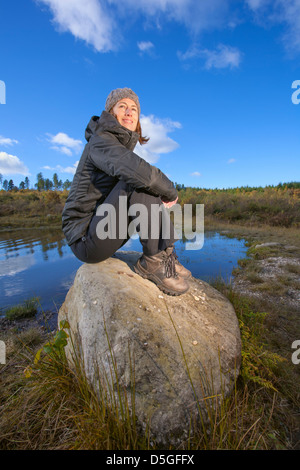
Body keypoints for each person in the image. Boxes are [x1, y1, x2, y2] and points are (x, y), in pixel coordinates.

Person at [62, 87, 191, 295]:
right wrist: (170, 191)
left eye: (134, 109)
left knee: (144, 181)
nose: (129, 112)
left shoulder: (116, 145)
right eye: (122, 106)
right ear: (110, 113)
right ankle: (152, 262)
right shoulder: (101, 141)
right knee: (139, 179)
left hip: (102, 226)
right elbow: (140, 173)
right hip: (84, 237)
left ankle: (165, 258)